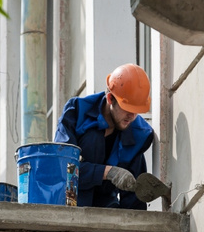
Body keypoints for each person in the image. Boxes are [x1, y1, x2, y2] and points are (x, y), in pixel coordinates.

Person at [54, 64, 155, 210]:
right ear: (109, 98)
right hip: (70, 201)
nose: (132, 116)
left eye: (136, 111)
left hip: (106, 208)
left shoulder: (138, 134)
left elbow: (133, 198)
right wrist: (108, 172)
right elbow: (63, 168)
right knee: (94, 138)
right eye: (127, 109)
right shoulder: (76, 113)